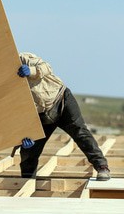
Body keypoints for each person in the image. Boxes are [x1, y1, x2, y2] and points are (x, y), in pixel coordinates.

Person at [16, 52, 110, 181]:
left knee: (80, 132)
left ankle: (102, 167)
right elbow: (12, 115)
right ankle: (27, 182)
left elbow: (47, 67)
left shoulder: (23, 58)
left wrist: (31, 71)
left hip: (61, 100)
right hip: (40, 115)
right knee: (28, 150)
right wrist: (21, 135)